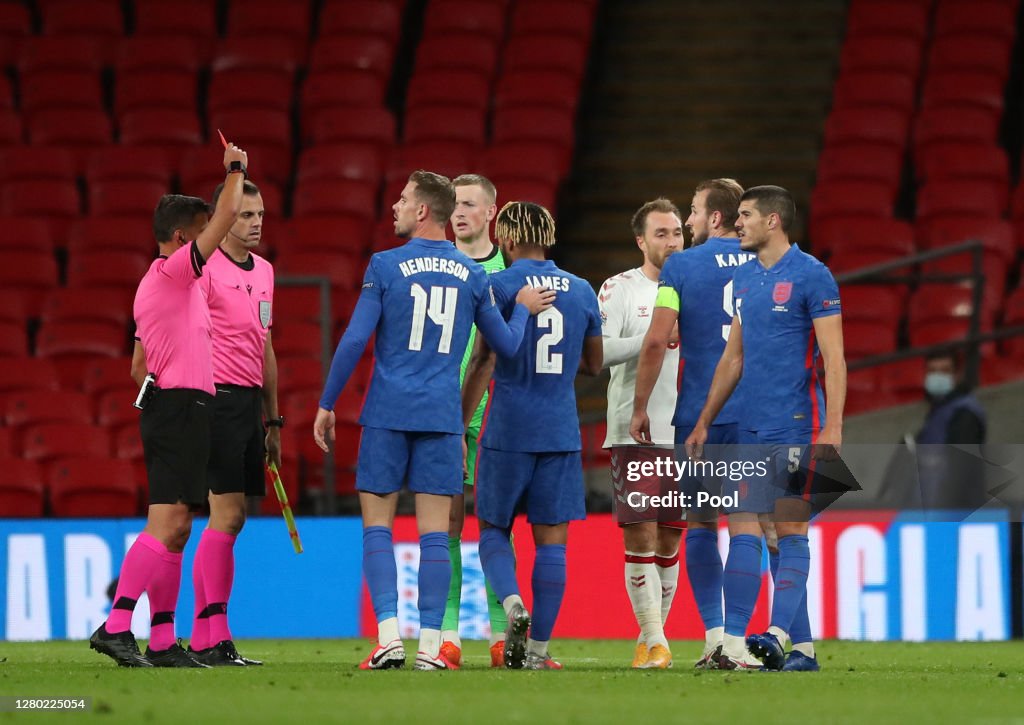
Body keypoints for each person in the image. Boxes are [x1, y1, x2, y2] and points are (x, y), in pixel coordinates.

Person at [312, 171, 554, 671]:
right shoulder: (474, 277)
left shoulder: (385, 265)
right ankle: (430, 647)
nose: (396, 206)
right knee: (434, 535)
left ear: (423, 210)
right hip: (443, 419)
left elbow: (356, 339)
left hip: (387, 413)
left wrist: (328, 402)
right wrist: (525, 311)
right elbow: (504, 349)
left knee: (377, 527)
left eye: (403, 199)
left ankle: (386, 639)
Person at [90, 144, 249, 668]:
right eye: (206, 232)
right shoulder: (174, 274)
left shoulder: (167, 287)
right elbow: (227, 211)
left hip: (177, 406)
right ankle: (116, 626)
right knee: (168, 526)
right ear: (184, 239)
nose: (218, 238)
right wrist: (234, 169)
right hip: (179, 408)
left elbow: (139, 364)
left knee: (178, 527)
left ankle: (160, 640)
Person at [684, 185, 846, 672]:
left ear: (773, 221)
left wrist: (833, 425)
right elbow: (733, 358)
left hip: (796, 421)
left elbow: (834, 360)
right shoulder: (749, 279)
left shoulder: (813, 276)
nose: (739, 223)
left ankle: (775, 635)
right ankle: (763, 646)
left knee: (789, 528)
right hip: (749, 424)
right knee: (748, 528)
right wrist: (705, 420)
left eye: (747, 215)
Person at [632, 179, 773, 671]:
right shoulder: (768, 260)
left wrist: (640, 405)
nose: (687, 222)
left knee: (701, 526)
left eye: (692, 212)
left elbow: (655, 341)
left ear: (714, 218)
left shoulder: (682, 266)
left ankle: (714, 636)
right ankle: (741, 640)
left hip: (699, 417)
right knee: (749, 527)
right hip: (756, 413)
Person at [463, 201, 604, 670]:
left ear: (505, 237)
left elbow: (485, 358)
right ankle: (540, 651)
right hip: (560, 429)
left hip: (507, 427)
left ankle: (511, 605)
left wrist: (459, 419)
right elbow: (594, 363)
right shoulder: (583, 290)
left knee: (492, 530)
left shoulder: (498, 284)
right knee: (552, 543)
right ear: (549, 236)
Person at [187, 179, 277, 666]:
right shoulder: (204, 271)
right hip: (215, 399)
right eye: (245, 215)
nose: (256, 221)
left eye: (260, 213)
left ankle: (205, 635)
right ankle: (214, 636)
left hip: (248, 406)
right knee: (225, 516)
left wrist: (274, 419)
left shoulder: (265, 271)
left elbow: (265, 347)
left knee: (232, 519)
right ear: (224, 220)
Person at [599, 198, 683, 669]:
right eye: (660, 234)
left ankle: (651, 638)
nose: (671, 242)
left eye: (676, 233)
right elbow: (599, 353)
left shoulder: (698, 286)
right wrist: (655, 335)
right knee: (641, 538)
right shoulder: (619, 289)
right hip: (634, 431)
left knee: (670, 542)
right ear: (641, 241)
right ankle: (657, 641)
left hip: (686, 431)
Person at [441, 174, 509, 668]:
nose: (458, 212)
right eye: (453, 205)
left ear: (491, 211)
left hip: (500, 413)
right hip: (445, 411)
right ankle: (448, 636)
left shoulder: (510, 271)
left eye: (468, 204)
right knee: (447, 525)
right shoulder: (434, 265)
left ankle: (503, 636)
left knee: (495, 525)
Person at [915, 350, 987, 510]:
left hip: (959, 510)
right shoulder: (938, 411)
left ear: (957, 375)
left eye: (944, 371)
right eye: (932, 371)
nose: (937, 377)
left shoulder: (965, 412)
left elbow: (961, 467)